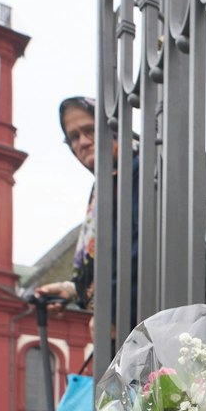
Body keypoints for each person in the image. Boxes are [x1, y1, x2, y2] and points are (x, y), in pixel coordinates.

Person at [35, 97, 138, 313]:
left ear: (115, 128)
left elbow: (141, 250)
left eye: (90, 130)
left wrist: (112, 312)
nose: (82, 142)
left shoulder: (140, 170)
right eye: (73, 137)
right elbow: (108, 261)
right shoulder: (103, 187)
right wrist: (72, 291)